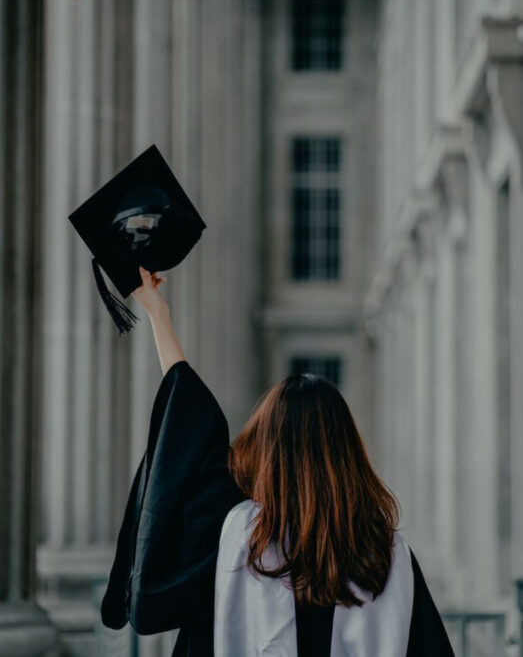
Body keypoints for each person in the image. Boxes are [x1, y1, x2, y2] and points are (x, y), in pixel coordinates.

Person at [100, 265, 455, 656]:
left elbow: (190, 427)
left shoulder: (236, 538)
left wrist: (158, 314)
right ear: (347, 451)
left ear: (267, 449)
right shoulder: (385, 553)